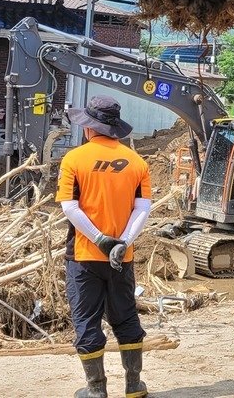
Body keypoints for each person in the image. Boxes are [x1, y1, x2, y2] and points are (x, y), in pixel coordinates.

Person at [56, 96, 152, 398]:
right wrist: (122, 242)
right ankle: (134, 386)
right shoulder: (137, 163)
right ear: (115, 130)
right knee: (125, 317)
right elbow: (143, 209)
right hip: (121, 259)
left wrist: (99, 239)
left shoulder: (74, 160)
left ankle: (96, 390)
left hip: (85, 257)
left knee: (86, 320)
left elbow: (69, 207)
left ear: (88, 128)